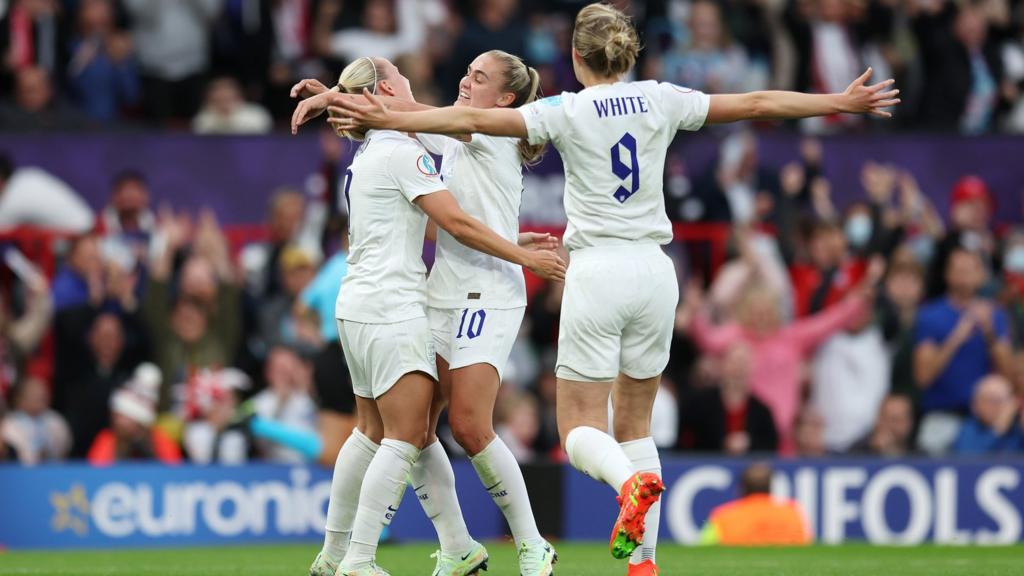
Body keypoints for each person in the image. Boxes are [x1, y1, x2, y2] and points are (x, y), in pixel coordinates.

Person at [327, 2, 897, 572]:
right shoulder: (662, 96)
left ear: (575, 57)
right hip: (656, 271)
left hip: (596, 270)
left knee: (578, 427)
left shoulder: (565, 109)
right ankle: (642, 561)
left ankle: (624, 487)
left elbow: (458, 121)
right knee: (635, 424)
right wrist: (839, 102)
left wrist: (370, 111)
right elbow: (755, 102)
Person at [294, 50, 561, 574]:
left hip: (487, 293)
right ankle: (457, 546)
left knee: (465, 426)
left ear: (504, 99)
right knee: (414, 428)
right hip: (437, 291)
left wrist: (520, 254)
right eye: (466, 69)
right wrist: (335, 95)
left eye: (478, 76)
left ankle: (531, 543)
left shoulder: (483, 128)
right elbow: (407, 114)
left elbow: (403, 114)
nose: (464, 79)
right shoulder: (441, 131)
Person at [913, 247, 1012, 454]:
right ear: (947, 274)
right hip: (940, 417)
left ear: (981, 275)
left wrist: (989, 332)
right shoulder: (930, 315)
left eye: (969, 270)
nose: (963, 276)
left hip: (983, 422)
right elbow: (923, 376)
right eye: (958, 270)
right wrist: (957, 336)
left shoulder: (996, 315)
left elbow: (1009, 373)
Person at [698, 462, 812, 546]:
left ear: (742, 488)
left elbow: (705, 549)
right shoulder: (793, 513)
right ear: (770, 487)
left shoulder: (723, 516)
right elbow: (805, 544)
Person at [951, 374, 1024, 454]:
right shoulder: (969, 427)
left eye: (998, 401)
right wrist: (997, 430)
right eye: (988, 400)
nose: (993, 406)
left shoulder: (1016, 428)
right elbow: (967, 459)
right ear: (975, 404)